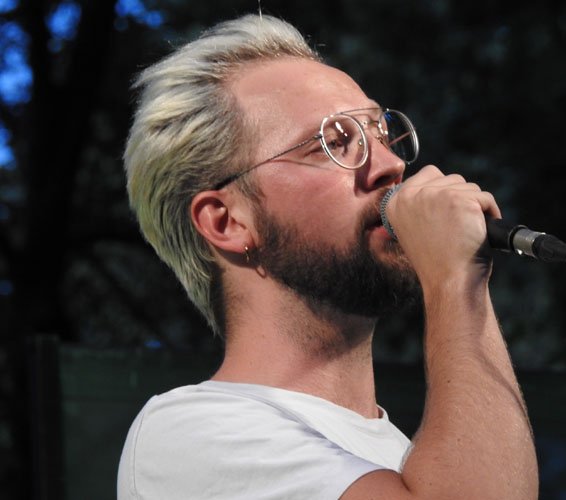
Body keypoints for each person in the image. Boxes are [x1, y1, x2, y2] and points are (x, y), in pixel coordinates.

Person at [118, 14, 538, 500]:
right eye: (333, 143)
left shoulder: (418, 461)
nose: (391, 165)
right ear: (227, 222)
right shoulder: (189, 435)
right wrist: (454, 279)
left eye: (381, 134)